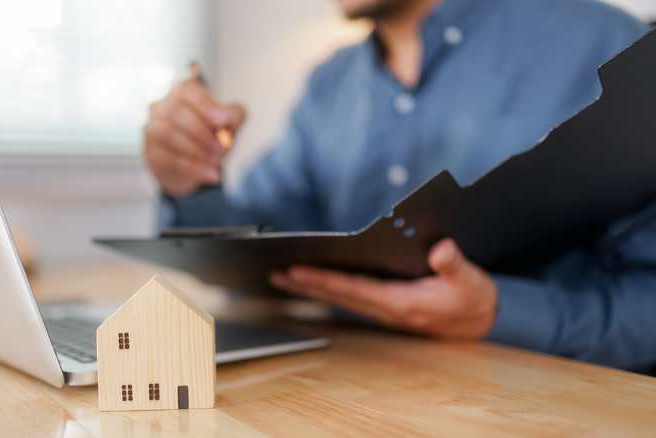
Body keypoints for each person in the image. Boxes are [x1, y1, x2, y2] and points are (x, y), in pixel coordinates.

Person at [144, 0, 656, 371]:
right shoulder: (330, 84)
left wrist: (501, 313)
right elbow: (254, 258)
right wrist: (190, 185)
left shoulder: (604, 43)